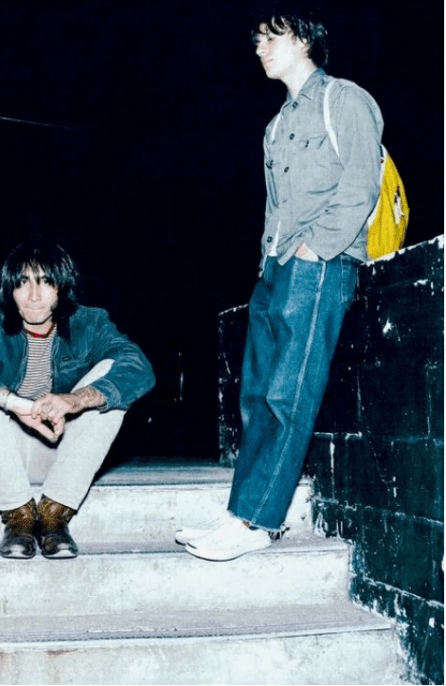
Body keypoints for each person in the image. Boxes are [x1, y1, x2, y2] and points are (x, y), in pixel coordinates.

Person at [177, 12, 383, 561]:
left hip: (321, 264)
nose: (261, 48)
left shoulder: (344, 100)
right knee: (256, 395)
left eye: (273, 37)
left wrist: (317, 247)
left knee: (289, 395)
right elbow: (274, 206)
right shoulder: (275, 125)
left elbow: (362, 183)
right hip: (276, 268)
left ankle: (259, 523)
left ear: (305, 40)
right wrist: (271, 261)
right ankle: (241, 513)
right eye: (258, 40)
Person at [0, 239, 154, 559]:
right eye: (23, 283)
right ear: (10, 289)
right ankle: (18, 516)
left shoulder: (90, 323)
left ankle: (54, 514)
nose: (34, 296)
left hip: (60, 454)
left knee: (111, 376)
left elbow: (139, 368)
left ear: (62, 288)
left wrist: (74, 401)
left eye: (46, 282)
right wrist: (14, 403)